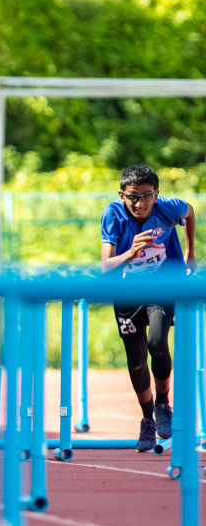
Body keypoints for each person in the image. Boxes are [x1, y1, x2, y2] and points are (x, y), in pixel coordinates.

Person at [99, 164, 197, 452]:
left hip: (161, 287)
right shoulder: (113, 214)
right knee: (136, 358)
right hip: (127, 291)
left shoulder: (168, 208)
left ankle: (164, 404)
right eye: (132, 197)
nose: (139, 204)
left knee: (157, 341)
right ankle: (147, 419)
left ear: (157, 194)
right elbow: (106, 267)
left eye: (146, 196)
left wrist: (190, 254)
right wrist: (131, 252)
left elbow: (190, 212)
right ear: (121, 195)